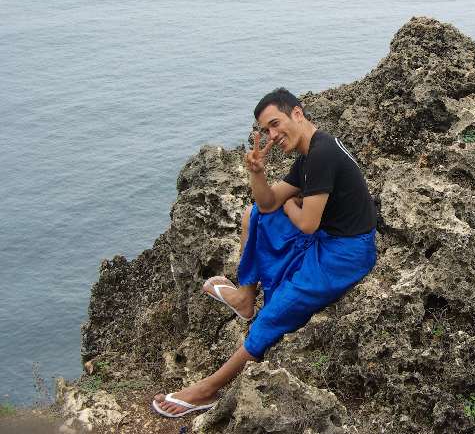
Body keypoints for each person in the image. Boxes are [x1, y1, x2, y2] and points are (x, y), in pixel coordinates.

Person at [152, 88, 378, 418]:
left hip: (347, 253)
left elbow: (307, 224)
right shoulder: (309, 154)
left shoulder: (321, 154)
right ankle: (245, 297)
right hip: (328, 238)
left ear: (297, 113)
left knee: (274, 315)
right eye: (265, 130)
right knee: (255, 215)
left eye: (275, 124)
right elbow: (268, 203)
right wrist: (257, 173)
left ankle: (207, 390)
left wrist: (289, 205)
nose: (272, 135)